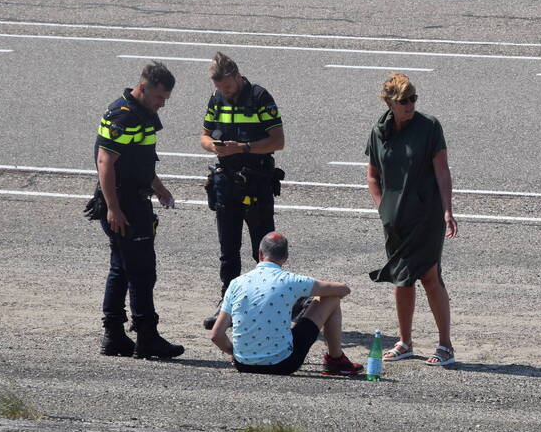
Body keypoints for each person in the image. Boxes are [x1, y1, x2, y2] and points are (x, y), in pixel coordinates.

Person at [365, 73, 458, 366]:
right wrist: (383, 209)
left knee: (430, 276)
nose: (410, 105)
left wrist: (447, 209)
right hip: (395, 219)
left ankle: (445, 345)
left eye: (413, 98)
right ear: (390, 103)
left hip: (427, 214)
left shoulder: (429, 127)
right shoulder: (379, 131)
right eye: (404, 100)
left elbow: (442, 170)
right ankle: (404, 342)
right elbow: (372, 176)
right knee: (401, 278)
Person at [95, 61, 184, 359]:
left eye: (166, 99)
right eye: (159, 97)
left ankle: (114, 335)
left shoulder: (143, 114)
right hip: (124, 204)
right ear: (143, 88)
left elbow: (139, 161)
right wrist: (113, 208)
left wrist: (159, 188)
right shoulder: (124, 116)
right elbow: (105, 162)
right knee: (142, 271)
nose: (162, 104)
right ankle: (146, 336)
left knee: (121, 267)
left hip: (131, 199)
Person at [200, 52, 286, 329]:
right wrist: (215, 147)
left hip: (257, 182)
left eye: (227, 86)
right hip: (226, 183)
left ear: (237, 77)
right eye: (219, 87)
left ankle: (271, 303)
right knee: (228, 250)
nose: (223, 91)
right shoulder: (216, 99)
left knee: (263, 250)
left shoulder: (260, 97)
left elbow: (278, 141)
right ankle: (227, 305)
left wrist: (243, 148)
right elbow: (204, 135)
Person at [209, 232, 362, 376]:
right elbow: (343, 290)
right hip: (283, 364)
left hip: (243, 364)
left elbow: (216, 335)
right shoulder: (291, 280)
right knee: (331, 297)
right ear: (285, 257)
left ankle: (249, 353)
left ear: (260, 254)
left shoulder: (236, 283)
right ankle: (336, 360)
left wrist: (234, 353)